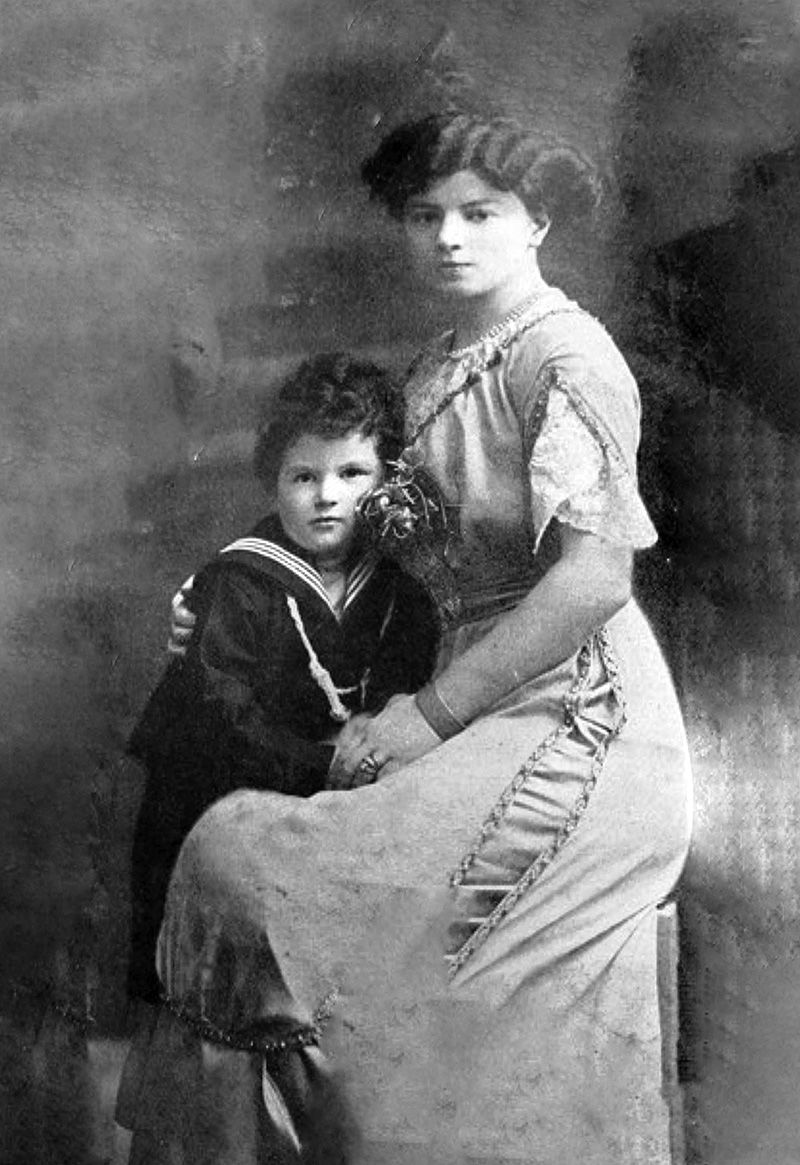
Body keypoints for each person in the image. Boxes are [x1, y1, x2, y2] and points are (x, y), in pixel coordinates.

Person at [126, 111, 693, 1165]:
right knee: (222, 846)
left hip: (580, 727)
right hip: (472, 702)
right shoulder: (438, 363)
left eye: (480, 214)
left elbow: (592, 581)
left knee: (246, 860)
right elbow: (358, 528)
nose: (448, 237)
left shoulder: (566, 357)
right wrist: (222, 587)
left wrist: (426, 719)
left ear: (537, 225)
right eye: (426, 216)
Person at [115, 353, 439, 1135]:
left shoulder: (400, 596)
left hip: (334, 819)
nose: (327, 495)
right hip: (223, 808)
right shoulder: (243, 581)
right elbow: (219, 718)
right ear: (274, 483)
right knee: (229, 1004)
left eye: (353, 472)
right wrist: (319, 763)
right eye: (303, 476)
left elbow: (405, 694)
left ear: (387, 482)